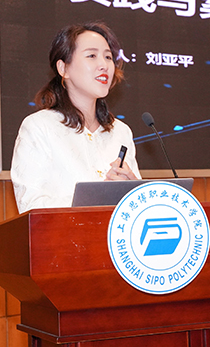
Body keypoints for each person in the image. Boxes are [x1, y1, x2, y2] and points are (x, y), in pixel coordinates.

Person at [11, 22, 141, 213]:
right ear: (63, 68)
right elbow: (30, 208)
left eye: (108, 57)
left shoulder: (121, 132)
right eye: (92, 56)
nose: (104, 65)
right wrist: (97, 197)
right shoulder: (39, 127)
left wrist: (134, 191)